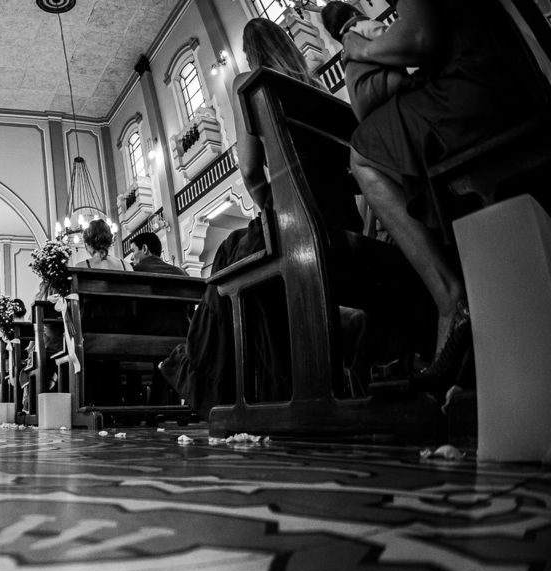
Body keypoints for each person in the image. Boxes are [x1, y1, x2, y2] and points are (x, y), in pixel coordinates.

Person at [160, 17, 362, 417]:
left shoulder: (250, 84)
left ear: (250, 54)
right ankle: (273, 382)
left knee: (226, 262)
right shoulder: (322, 91)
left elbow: (250, 170)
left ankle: (207, 382)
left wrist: (276, 201)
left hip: (294, 224)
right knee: (246, 263)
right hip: (342, 221)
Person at [346, 0, 548, 391]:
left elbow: (420, 35)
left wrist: (359, 49)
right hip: (511, 73)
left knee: (362, 150)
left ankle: (451, 299)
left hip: (476, 82)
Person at [319, 1, 411, 122]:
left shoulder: (346, 52)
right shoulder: (363, 25)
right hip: (389, 91)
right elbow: (398, 43)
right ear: (354, 14)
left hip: (369, 114)